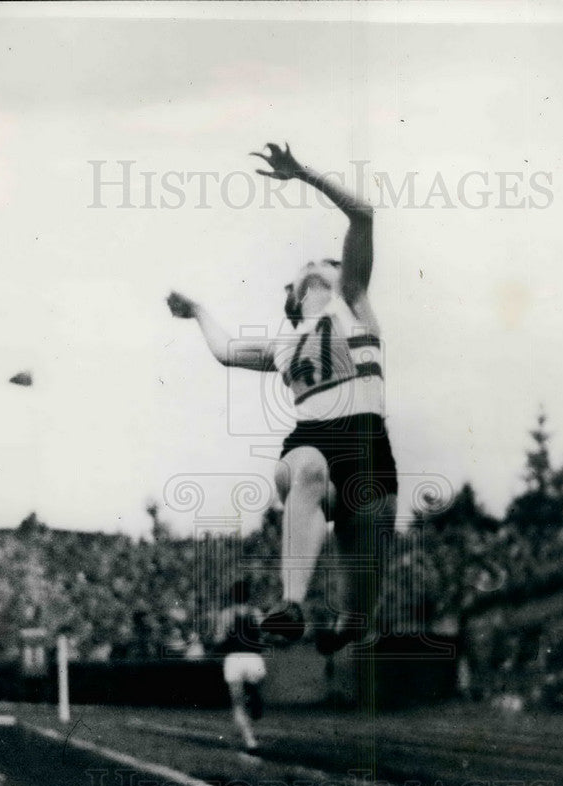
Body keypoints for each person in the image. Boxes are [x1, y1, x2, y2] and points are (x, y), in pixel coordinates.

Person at [167, 142, 397, 656]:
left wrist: (304, 174)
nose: (316, 266)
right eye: (306, 268)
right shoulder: (283, 343)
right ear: (291, 297)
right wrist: (199, 308)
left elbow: (362, 214)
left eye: (326, 263)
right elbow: (226, 351)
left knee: (359, 613)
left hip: (368, 448)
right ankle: (291, 605)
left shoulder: (355, 304)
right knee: (310, 467)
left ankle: (348, 624)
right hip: (311, 440)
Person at [214, 580, 267, 753]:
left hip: (234, 659)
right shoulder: (256, 613)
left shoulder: (227, 614)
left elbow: (219, 639)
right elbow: (264, 636)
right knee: (252, 690)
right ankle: (253, 692)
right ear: (248, 596)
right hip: (254, 659)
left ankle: (250, 740)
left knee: (237, 704)